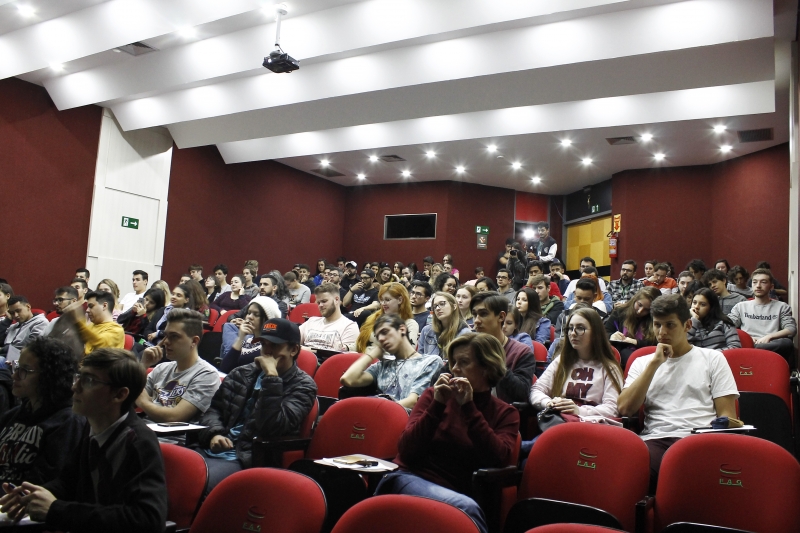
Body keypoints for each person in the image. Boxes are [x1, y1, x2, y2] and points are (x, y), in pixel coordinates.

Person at [0, 348, 168, 532]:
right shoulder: (91, 427)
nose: (75, 387)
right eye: (78, 377)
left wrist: (56, 510)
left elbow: (148, 519)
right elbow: (67, 482)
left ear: (119, 394)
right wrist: (31, 496)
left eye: (89, 381)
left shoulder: (139, 442)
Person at [375, 333, 519, 533]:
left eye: (464, 362)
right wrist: (437, 405)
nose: (455, 369)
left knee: (464, 507)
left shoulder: (505, 413)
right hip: (411, 478)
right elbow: (406, 449)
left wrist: (469, 407)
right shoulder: (433, 396)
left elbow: (497, 458)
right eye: (454, 362)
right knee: (465, 509)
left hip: (461, 490)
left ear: (487, 367)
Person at [618, 294, 738, 493]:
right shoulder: (642, 362)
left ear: (687, 325)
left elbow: (727, 416)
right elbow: (625, 408)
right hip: (656, 440)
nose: (662, 332)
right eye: (657, 325)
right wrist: (654, 365)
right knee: (629, 477)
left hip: (699, 439)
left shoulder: (713, 359)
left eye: (670, 325)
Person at [196, 319, 317, 492]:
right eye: (264, 344)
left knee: (196, 484)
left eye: (274, 346)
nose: (267, 351)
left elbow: (272, 427)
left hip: (246, 458)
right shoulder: (241, 373)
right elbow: (214, 410)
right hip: (211, 449)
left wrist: (272, 377)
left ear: (294, 350)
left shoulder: (304, 386)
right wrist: (214, 434)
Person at [0, 337, 84, 486]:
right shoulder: (13, 415)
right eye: (17, 367)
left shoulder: (68, 422)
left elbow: (43, 481)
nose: (14, 375)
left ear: (49, 376)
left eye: (25, 370)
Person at [530, 307, 623, 420]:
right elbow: (536, 390)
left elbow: (612, 408)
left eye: (580, 328)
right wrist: (549, 403)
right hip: (560, 421)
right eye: (570, 328)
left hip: (590, 425)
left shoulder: (610, 368)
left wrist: (579, 411)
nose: (573, 333)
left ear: (595, 333)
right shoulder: (561, 361)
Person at [136, 309, 220, 423]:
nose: (166, 342)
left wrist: (142, 401)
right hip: (143, 427)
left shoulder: (207, 375)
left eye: (174, 336)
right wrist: (143, 365)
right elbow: (130, 398)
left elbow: (173, 417)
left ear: (194, 341)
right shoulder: (161, 368)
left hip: (170, 434)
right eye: (165, 335)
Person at [341, 315, 442, 409]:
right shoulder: (382, 366)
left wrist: (375, 411)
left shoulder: (430, 362)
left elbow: (413, 401)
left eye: (384, 332)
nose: (381, 339)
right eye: (377, 336)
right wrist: (372, 355)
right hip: (377, 414)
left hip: (402, 417)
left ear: (402, 329)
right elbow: (347, 379)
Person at [470, 292, 535, 404]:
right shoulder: (467, 347)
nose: (476, 320)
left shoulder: (521, 352)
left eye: (483, 314)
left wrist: (493, 359)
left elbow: (521, 393)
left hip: (503, 412)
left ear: (501, 317)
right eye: (474, 315)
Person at [729, 268, 797, 360]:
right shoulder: (740, 306)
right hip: (747, 343)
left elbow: (791, 329)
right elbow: (728, 326)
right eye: (755, 282)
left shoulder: (782, 307)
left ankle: (755, 350)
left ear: (771, 287)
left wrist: (769, 337)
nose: (758, 286)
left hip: (771, 345)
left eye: (763, 282)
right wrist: (747, 338)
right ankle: (753, 349)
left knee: (787, 343)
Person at [219, 297, 281, 373]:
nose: (249, 317)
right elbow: (224, 369)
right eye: (248, 313)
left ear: (268, 319)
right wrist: (240, 338)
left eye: (256, 314)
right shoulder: (247, 339)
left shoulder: (269, 347)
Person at [604, 287, 661, 367]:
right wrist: (611, 336)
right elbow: (604, 333)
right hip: (620, 355)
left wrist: (636, 342)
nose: (640, 311)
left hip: (645, 357)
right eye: (639, 305)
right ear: (635, 299)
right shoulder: (620, 311)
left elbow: (657, 343)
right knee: (625, 352)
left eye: (647, 310)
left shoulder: (655, 319)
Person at [356, 283, 420, 353]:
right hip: (363, 357)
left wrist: (372, 353)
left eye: (387, 300)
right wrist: (347, 347)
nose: (383, 303)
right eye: (381, 300)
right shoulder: (374, 318)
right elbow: (359, 343)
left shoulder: (410, 324)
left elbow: (407, 351)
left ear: (400, 300)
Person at [300, 283, 359, 358]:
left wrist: (305, 349)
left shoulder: (349, 326)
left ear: (336, 300)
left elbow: (343, 359)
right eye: (318, 302)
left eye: (324, 301)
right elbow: (292, 344)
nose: (320, 305)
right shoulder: (311, 321)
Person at [65, 291, 125, 355]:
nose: (87, 310)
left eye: (91, 306)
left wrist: (78, 321)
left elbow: (100, 343)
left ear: (104, 306)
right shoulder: (91, 326)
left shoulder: (117, 330)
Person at [418, 292, 471, 357]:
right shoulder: (426, 330)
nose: (437, 308)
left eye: (442, 304)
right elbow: (419, 358)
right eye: (435, 306)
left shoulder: (465, 333)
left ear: (454, 306)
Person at [1, 297, 48, 361]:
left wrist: (3, 349)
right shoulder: (14, 326)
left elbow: (30, 346)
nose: (15, 315)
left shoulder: (40, 322)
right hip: (5, 357)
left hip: (19, 359)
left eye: (18, 311)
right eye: (12, 313)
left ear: (28, 307)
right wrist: (8, 320)